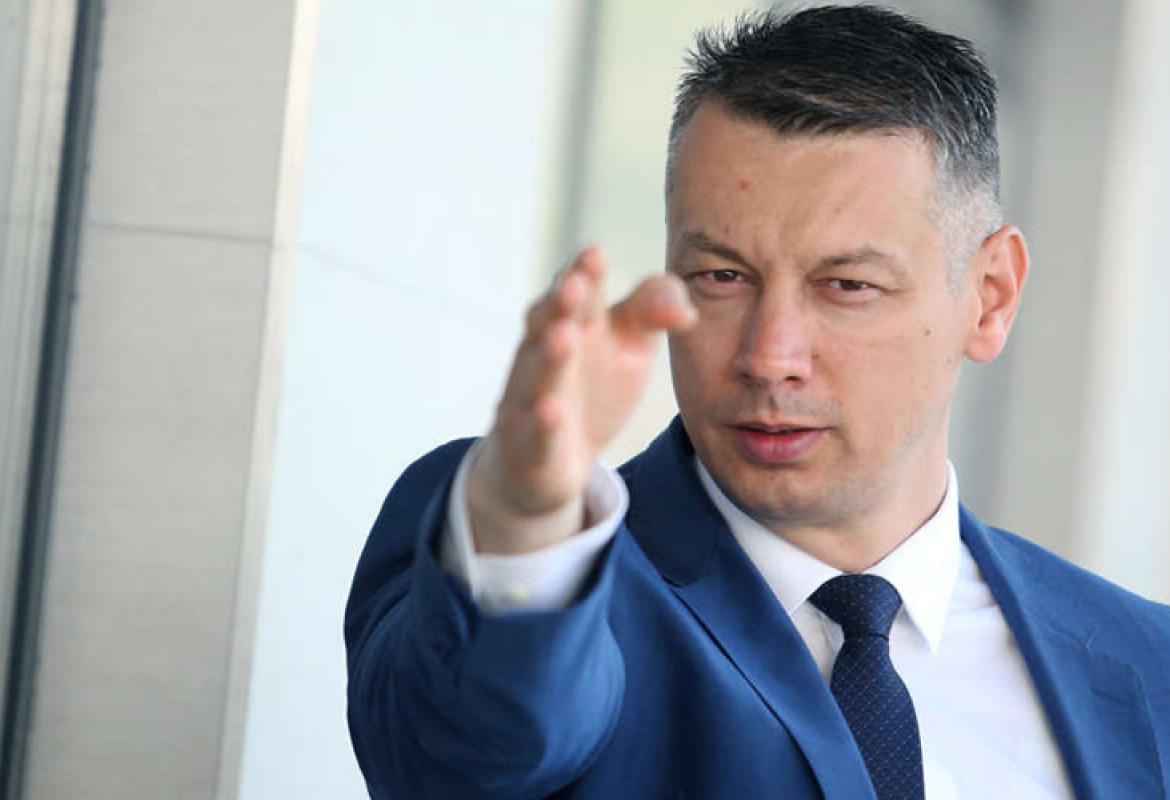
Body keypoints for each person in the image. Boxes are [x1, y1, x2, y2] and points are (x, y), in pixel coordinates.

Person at [345, 5, 1170, 799]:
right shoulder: (541, 573)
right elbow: (471, 752)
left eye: (846, 285)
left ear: (989, 298)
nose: (770, 357)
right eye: (722, 277)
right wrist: (526, 518)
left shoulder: (1146, 667)